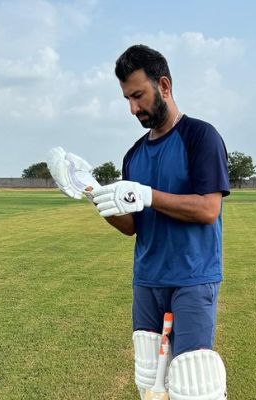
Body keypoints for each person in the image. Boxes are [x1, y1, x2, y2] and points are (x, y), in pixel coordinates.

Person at [90, 45, 230, 400]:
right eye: (127, 99)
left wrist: (148, 194)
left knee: (193, 385)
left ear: (163, 86)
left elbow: (208, 209)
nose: (133, 108)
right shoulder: (133, 155)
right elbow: (132, 226)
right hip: (148, 280)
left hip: (192, 277)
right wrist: (93, 194)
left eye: (138, 95)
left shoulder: (200, 137)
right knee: (150, 382)